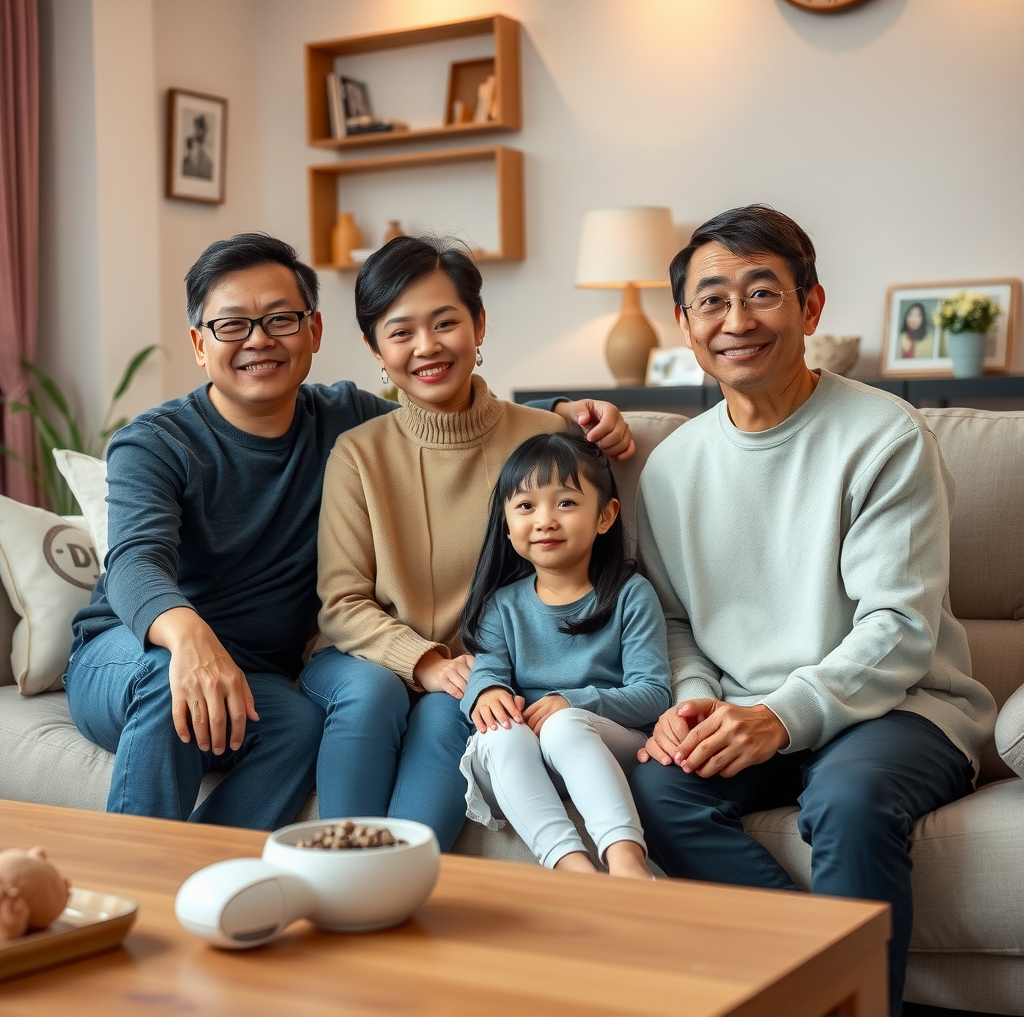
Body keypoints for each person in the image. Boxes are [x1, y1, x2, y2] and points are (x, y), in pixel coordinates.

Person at [63, 232, 626, 832]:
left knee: (301, 726)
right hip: (130, 655)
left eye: (280, 318)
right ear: (200, 345)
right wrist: (190, 640)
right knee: (166, 675)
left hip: (259, 678)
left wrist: (563, 413)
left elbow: (443, 421)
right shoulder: (156, 442)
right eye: (232, 326)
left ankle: (224, 871)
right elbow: (133, 564)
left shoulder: (345, 419)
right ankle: (127, 881)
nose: (259, 339)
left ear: (315, 332)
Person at [627, 205, 997, 1016]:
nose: (737, 321)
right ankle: (817, 981)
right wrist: (694, 703)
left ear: (811, 306)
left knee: (850, 798)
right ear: (685, 324)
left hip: (901, 708)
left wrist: (779, 716)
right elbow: (677, 621)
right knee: (657, 791)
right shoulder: (672, 467)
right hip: (745, 706)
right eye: (712, 301)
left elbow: (897, 631)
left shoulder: (883, 435)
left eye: (761, 293)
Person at [307, 236, 636, 852]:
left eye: (445, 322)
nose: (426, 347)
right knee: (379, 693)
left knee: (447, 712)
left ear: (478, 325)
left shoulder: (545, 436)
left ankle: (389, 879)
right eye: (400, 331)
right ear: (375, 349)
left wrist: (470, 677)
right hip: (368, 658)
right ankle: (333, 866)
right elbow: (340, 603)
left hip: (476, 677)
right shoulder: (359, 453)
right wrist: (425, 661)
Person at [458, 430, 671, 878]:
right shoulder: (502, 605)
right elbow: (487, 669)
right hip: (520, 764)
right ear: (506, 522)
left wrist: (572, 702)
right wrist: (485, 691)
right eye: (526, 506)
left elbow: (653, 694)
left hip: (603, 744)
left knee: (563, 724)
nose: (545, 520)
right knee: (498, 731)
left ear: (606, 516)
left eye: (566, 503)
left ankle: (628, 864)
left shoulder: (631, 595)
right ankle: (574, 871)